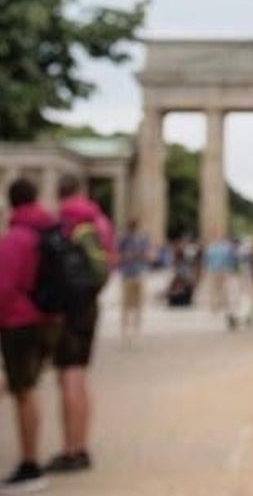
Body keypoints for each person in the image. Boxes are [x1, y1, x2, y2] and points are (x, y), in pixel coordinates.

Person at [47, 173, 114, 475]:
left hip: (67, 308)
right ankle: (82, 445)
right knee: (80, 376)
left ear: (58, 192)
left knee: (69, 377)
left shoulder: (62, 222)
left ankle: (70, 449)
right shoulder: (98, 221)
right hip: (89, 304)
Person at [0, 178, 60, 492]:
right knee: (25, 387)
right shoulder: (50, 231)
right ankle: (30, 460)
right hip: (47, 319)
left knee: (24, 391)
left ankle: (30, 464)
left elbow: (4, 287)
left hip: (19, 321)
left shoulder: (16, 238)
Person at [117, 217, 150, 343]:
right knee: (126, 304)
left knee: (139, 303)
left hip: (139, 273)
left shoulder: (142, 239)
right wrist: (126, 256)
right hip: (127, 274)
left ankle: (136, 328)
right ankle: (125, 328)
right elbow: (118, 255)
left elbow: (147, 255)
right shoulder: (123, 239)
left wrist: (141, 255)